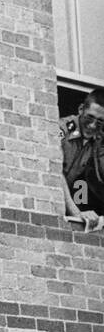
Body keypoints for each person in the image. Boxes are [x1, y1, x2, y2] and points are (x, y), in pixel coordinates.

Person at [61, 89, 104, 232]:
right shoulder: (62, 130)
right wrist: (76, 213)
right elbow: (55, 173)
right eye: (89, 118)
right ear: (80, 109)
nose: (92, 126)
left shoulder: (98, 140)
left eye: (99, 122)